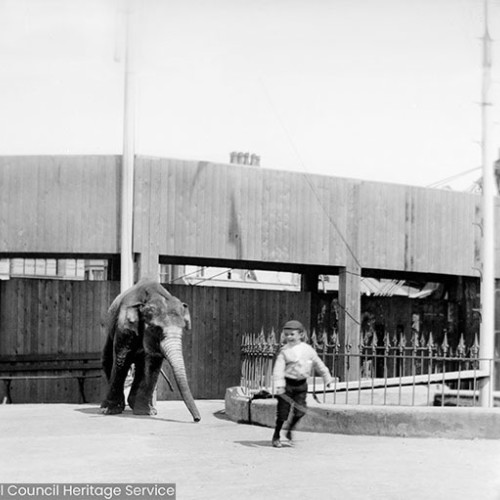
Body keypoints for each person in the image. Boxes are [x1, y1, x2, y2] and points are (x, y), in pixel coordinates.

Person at [271, 320, 333, 448]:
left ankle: (289, 430)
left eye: (292, 334)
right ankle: (276, 435)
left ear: (300, 334)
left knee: (301, 411)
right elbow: (278, 369)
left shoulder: (308, 350)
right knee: (283, 412)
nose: (289, 337)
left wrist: (327, 377)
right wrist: (279, 385)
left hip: (301, 385)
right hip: (287, 384)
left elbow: (318, 364)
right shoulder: (284, 351)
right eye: (286, 334)